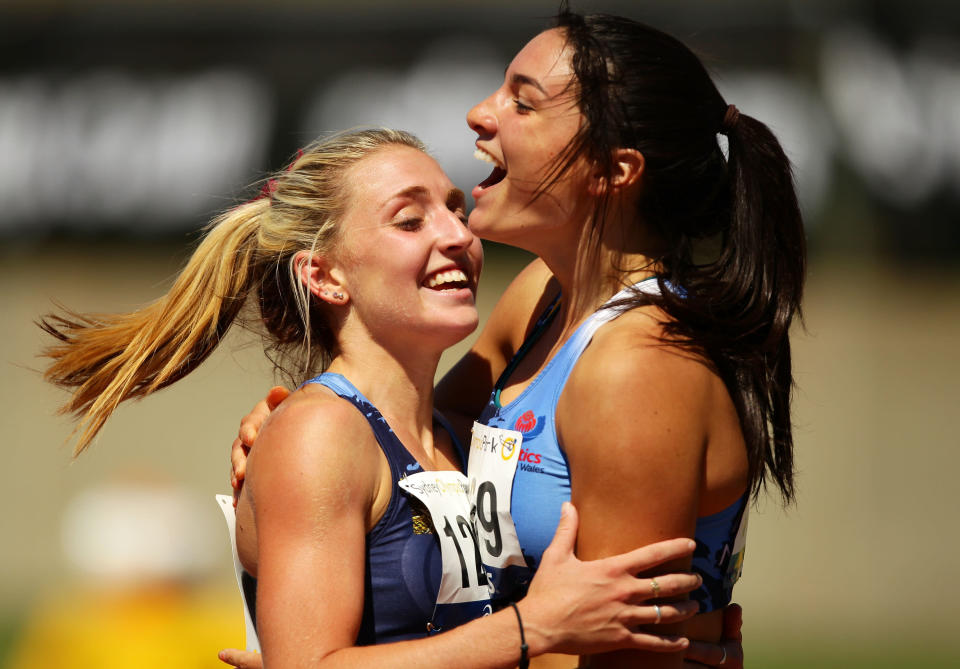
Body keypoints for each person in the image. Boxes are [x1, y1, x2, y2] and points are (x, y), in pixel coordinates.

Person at [230, 7, 804, 669]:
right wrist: (288, 441)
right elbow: (404, 449)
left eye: (522, 103)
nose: (480, 113)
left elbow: (610, 650)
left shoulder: (636, 367)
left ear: (614, 171)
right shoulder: (540, 298)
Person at [40, 129, 707, 668]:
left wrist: (684, 644)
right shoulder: (320, 433)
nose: (457, 234)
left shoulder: (457, 432)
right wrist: (535, 627)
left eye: (452, 206)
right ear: (325, 274)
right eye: (410, 218)